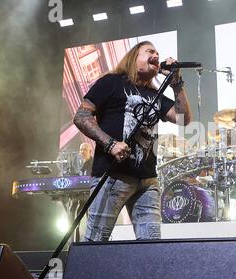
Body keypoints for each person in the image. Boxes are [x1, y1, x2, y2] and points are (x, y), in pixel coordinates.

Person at [73, 41, 192, 241]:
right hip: (113, 176)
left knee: (150, 247)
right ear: (134, 57)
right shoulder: (112, 82)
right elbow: (81, 116)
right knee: (95, 243)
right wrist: (110, 144)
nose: (155, 55)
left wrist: (176, 83)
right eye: (149, 51)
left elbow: (183, 118)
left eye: (157, 52)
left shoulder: (155, 95)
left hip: (147, 181)